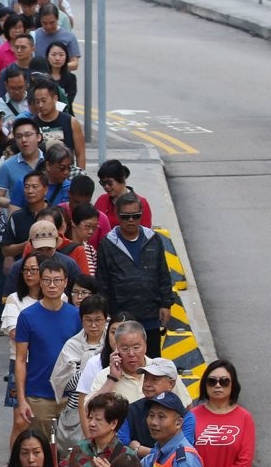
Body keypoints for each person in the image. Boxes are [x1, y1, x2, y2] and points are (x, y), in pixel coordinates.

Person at [95, 191, 173, 357]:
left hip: (151, 317)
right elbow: (102, 282)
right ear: (117, 215)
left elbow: (163, 273)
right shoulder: (107, 243)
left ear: (141, 215)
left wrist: (166, 304)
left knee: (151, 365)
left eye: (135, 216)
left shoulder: (154, 239)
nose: (131, 220)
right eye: (125, 216)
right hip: (123, 318)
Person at [14, 256, 81, 441]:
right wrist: (21, 400)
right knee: (43, 448)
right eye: (47, 280)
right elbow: (20, 359)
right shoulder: (27, 316)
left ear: (65, 283)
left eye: (57, 280)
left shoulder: (76, 315)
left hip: (71, 396)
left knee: (70, 449)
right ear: (40, 282)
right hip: (39, 396)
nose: (52, 285)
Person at [50, 293, 109, 456]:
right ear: (81, 320)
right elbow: (62, 383)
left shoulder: (113, 343)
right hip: (77, 409)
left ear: (106, 319)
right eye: (88, 320)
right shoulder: (73, 345)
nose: (94, 325)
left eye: (98, 320)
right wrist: (86, 369)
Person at [57, 392, 138, 467]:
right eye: (90, 418)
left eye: (98, 419)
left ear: (113, 423)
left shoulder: (126, 456)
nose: (91, 423)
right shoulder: (80, 448)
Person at [117, 357, 196, 458]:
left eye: (154, 380)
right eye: (145, 379)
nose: (147, 384)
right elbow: (122, 445)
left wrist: (140, 449)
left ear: (171, 384)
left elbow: (182, 453)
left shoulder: (186, 416)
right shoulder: (129, 410)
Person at [0, 252, 42, 441]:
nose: (29, 274)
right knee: (20, 421)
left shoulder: (61, 298)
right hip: (21, 363)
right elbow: (14, 333)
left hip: (46, 363)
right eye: (26, 270)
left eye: (34, 270)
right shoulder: (14, 299)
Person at [141, 391, 206, 467]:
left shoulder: (184, 460)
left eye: (161, 417)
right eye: (151, 415)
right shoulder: (161, 450)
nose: (153, 422)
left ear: (178, 423)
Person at [30, 75, 85, 168]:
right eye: (37, 101)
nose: (40, 105)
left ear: (55, 99)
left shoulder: (71, 122)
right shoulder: (31, 124)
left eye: (44, 100)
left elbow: (80, 154)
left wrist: (80, 176)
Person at [95, 159, 153, 229]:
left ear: (122, 178)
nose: (106, 186)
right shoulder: (102, 200)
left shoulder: (141, 203)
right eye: (103, 183)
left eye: (109, 182)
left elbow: (146, 234)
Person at [32, 3, 81, 69]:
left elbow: (75, 63)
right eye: (44, 23)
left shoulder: (69, 37)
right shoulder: (34, 36)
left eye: (52, 22)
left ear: (57, 19)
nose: (48, 26)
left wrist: (57, 67)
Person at [45, 40, 77, 115]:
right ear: (47, 57)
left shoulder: (71, 78)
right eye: (53, 54)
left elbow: (68, 101)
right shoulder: (42, 77)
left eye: (61, 55)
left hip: (65, 115)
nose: (57, 58)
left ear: (66, 57)